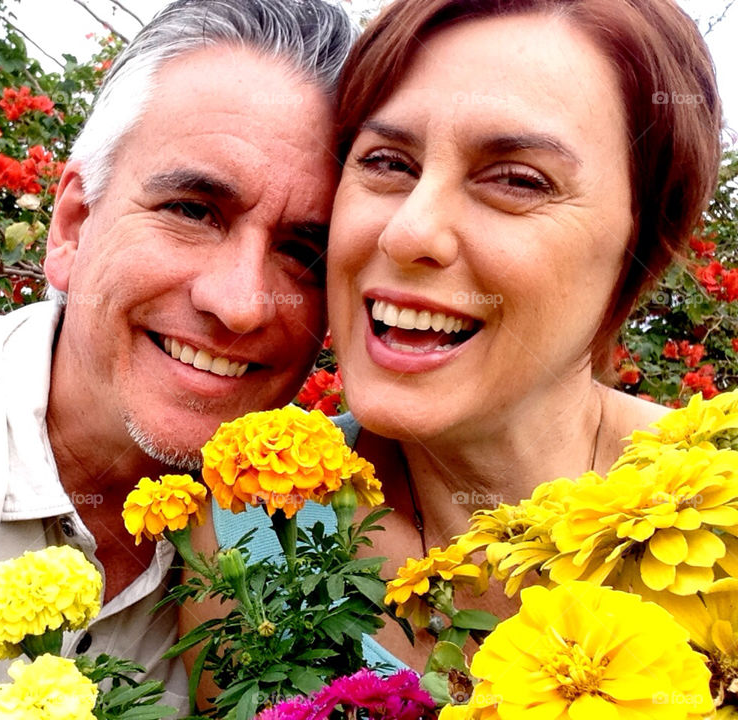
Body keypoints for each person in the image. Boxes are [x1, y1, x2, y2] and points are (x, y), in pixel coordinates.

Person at [0, 1, 355, 717]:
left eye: (304, 252)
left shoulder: (303, 551)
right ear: (73, 226)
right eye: (192, 210)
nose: (240, 304)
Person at [193, 0, 723, 684]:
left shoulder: (723, 505)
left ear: (639, 246)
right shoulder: (246, 531)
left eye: (517, 180)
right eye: (387, 162)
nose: (408, 233)